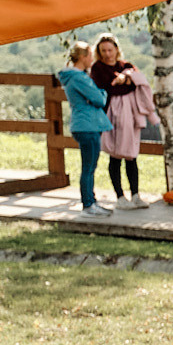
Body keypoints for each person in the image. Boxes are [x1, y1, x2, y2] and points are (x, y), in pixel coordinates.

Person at [89, 34, 153, 208]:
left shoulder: (126, 66)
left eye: (110, 50)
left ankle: (135, 194)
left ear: (116, 49)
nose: (108, 54)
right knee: (116, 154)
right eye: (103, 51)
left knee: (131, 155)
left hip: (129, 115)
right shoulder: (98, 69)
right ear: (99, 53)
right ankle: (120, 196)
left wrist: (126, 79)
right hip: (111, 114)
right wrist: (124, 82)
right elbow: (107, 88)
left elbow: (137, 83)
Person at [56, 42, 115, 215]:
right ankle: (88, 204)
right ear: (82, 57)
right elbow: (99, 99)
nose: (92, 59)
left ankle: (91, 202)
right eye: (90, 55)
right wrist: (102, 93)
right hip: (87, 125)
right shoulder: (79, 78)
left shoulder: (76, 77)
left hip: (84, 124)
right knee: (88, 167)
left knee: (89, 166)